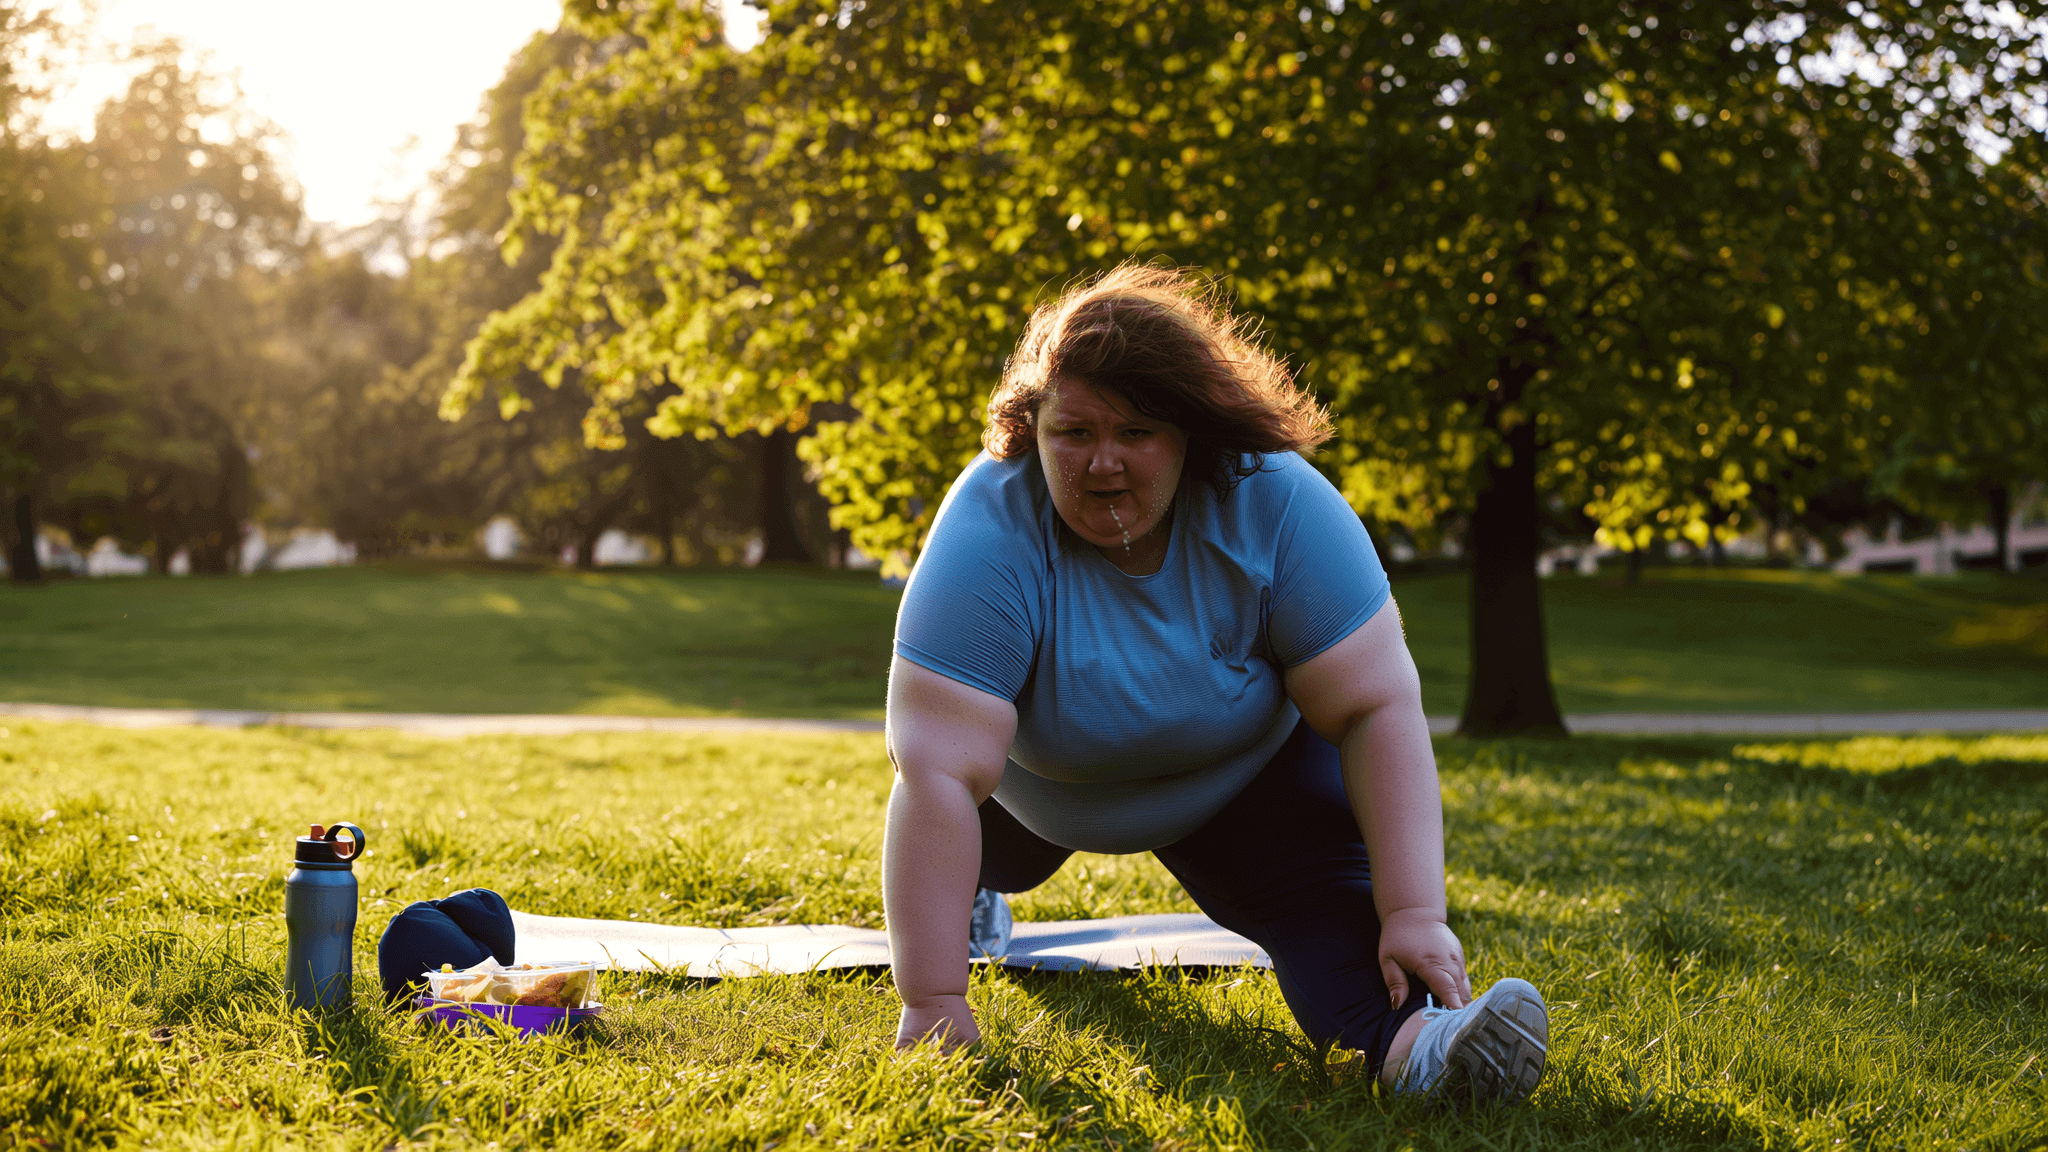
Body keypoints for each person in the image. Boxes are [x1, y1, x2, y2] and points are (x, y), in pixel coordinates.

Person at [881, 264, 1548, 1102]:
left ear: (1193, 434)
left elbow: (1376, 707)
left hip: (1237, 783)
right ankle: (975, 900)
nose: (1102, 464)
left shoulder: (1279, 503)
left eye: (1137, 431)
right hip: (1028, 794)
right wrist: (934, 1000)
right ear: (1031, 430)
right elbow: (936, 772)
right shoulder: (988, 527)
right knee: (970, 839)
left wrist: (1416, 911)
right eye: (1073, 432)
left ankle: (1423, 1050)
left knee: (1335, 918)